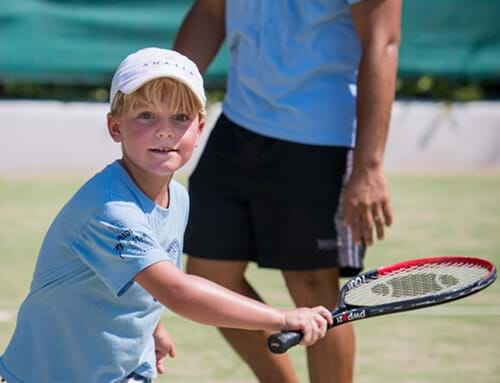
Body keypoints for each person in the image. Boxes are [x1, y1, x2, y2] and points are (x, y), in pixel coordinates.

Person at [0, 47, 333, 383]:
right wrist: (281, 318)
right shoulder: (110, 211)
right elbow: (177, 292)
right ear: (115, 127)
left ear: (199, 129)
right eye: (146, 115)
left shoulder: (178, 198)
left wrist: (152, 328)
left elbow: (145, 278)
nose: (165, 130)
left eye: (180, 117)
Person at [173, 0, 401, 382]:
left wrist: (368, 166)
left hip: (319, 140)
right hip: (237, 125)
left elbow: (384, 42)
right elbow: (212, 12)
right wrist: (164, 93)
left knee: (315, 292)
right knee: (208, 279)